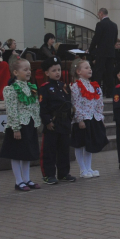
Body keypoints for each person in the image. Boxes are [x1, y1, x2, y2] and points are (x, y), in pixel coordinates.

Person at [1, 57, 41, 192]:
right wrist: (15, 128)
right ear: (15, 73)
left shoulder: (31, 87)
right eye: (25, 69)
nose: (28, 72)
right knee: (17, 154)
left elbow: (35, 106)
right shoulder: (11, 89)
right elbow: (12, 110)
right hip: (18, 125)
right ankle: (18, 181)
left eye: (29, 69)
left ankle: (27, 178)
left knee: (27, 153)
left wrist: (36, 121)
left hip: (29, 123)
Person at [39, 56, 76, 185]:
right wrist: (47, 121)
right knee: (49, 150)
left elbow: (68, 103)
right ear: (47, 73)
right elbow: (43, 107)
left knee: (64, 150)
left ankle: (64, 173)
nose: (57, 73)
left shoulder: (63, 86)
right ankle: (48, 174)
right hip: (53, 123)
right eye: (54, 70)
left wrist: (70, 117)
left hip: (64, 122)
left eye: (59, 70)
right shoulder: (45, 87)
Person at [70, 58, 108, 178]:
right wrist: (79, 119)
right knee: (81, 144)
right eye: (86, 68)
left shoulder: (94, 86)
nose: (90, 69)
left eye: (90, 67)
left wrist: (100, 116)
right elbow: (76, 103)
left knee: (89, 145)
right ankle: (82, 169)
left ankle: (89, 167)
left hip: (93, 118)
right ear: (78, 72)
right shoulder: (76, 86)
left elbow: (99, 102)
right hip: (83, 119)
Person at [88, 8, 118, 95]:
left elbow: (96, 38)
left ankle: (96, 92)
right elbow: (115, 39)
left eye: (98, 15)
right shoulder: (114, 25)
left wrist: (90, 50)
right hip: (111, 53)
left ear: (101, 13)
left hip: (101, 52)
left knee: (98, 72)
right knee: (110, 73)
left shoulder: (100, 24)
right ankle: (110, 92)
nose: (98, 17)